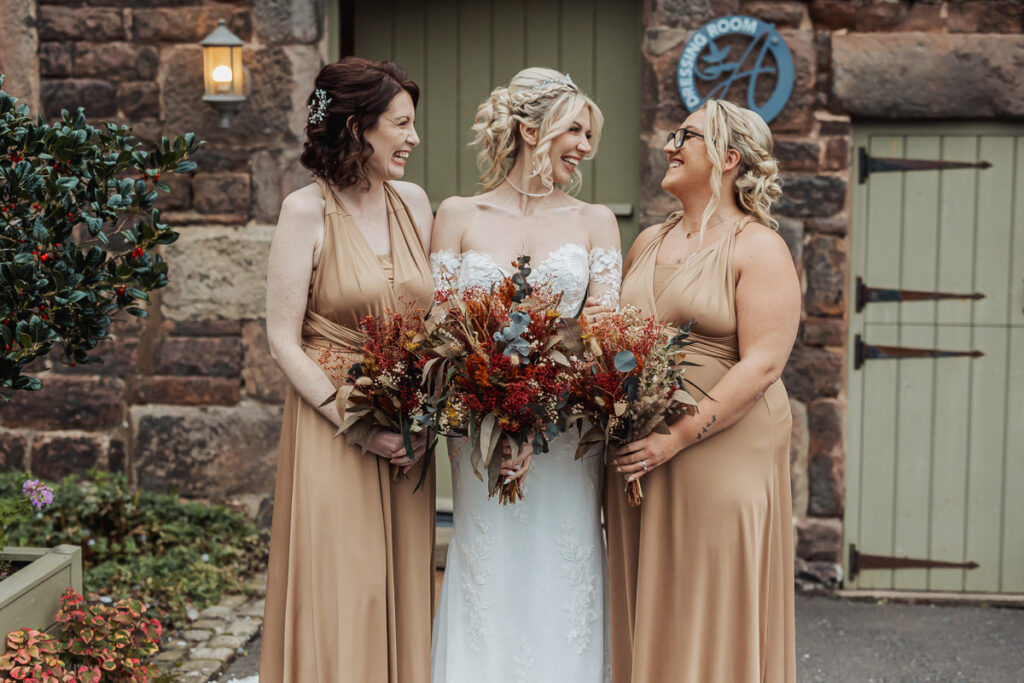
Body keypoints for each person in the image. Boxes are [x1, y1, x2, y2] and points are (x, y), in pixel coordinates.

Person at [429, 67, 621, 683]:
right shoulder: (457, 214)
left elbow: (599, 338)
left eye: (590, 135)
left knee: (561, 572)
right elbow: (442, 332)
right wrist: (492, 413)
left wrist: (536, 420)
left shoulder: (596, 221)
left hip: (565, 442)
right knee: (489, 568)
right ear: (529, 129)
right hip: (478, 439)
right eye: (575, 130)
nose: (586, 147)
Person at [603, 98, 799, 683]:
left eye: (686, 136)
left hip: (721, 444)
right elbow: (620, 340)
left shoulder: (757, 246)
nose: (669, 145)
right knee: (652, 585)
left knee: (709, 591)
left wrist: (678, 437)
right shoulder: (647, 242)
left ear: (729, 158)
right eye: (672, 133)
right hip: (645, 447)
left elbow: (763, 364)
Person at [261, 57, 436, 683]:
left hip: (410, 437)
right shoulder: (304, 210)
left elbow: (435, 325)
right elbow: (283, 340)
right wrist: (360, 424)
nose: (414, 138)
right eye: (402, 124)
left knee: (402, 583)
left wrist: (425, 419)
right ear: (358, 126)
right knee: (345, 585)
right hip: (333, 426)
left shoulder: (415, 203)